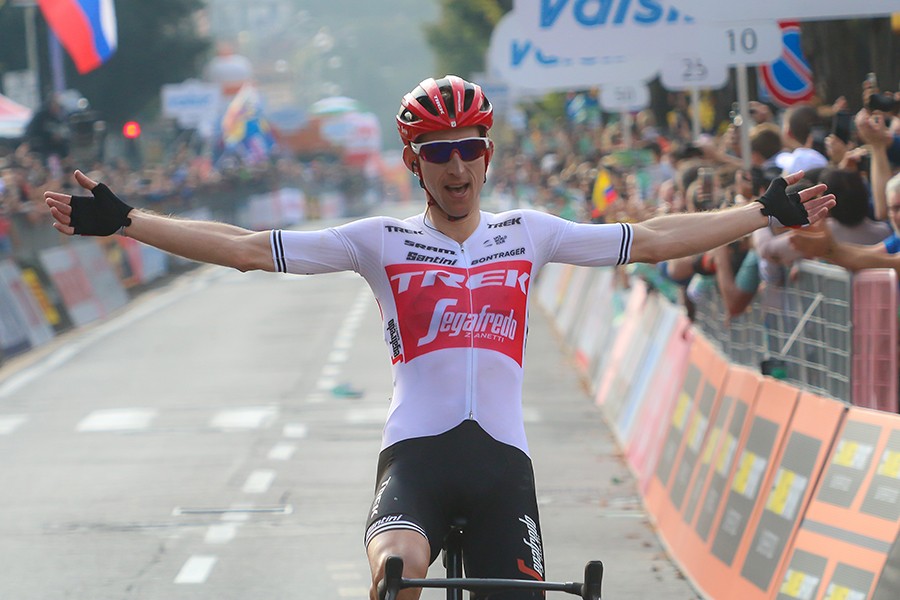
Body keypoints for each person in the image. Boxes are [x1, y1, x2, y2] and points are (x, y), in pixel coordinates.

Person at [44, 75, 835, 600]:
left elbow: (655, 237)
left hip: (502, 465)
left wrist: (764, 212)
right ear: (413, 163)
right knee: (398, 574)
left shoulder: (531, 231)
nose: (456, 168)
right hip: (416, 457)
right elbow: (250, 250)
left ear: (486, 156)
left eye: (468, 151)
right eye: (438, 154)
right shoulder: (377, 239)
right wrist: (130, 222)